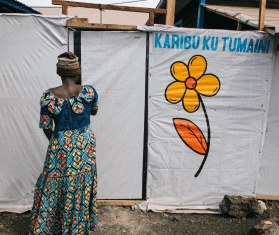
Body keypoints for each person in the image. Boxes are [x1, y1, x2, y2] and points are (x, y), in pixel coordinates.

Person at [29, 52, 98, 234]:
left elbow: (46, 126)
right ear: (78, 71)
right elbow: (94, 112)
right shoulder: (90, 92)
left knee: (54, 184)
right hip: (85, 144)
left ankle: (50, 227)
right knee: (80, 185)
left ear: (59, 72)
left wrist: (60, 140)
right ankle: (76, 228)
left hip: (60, 145)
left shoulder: (49, 96)